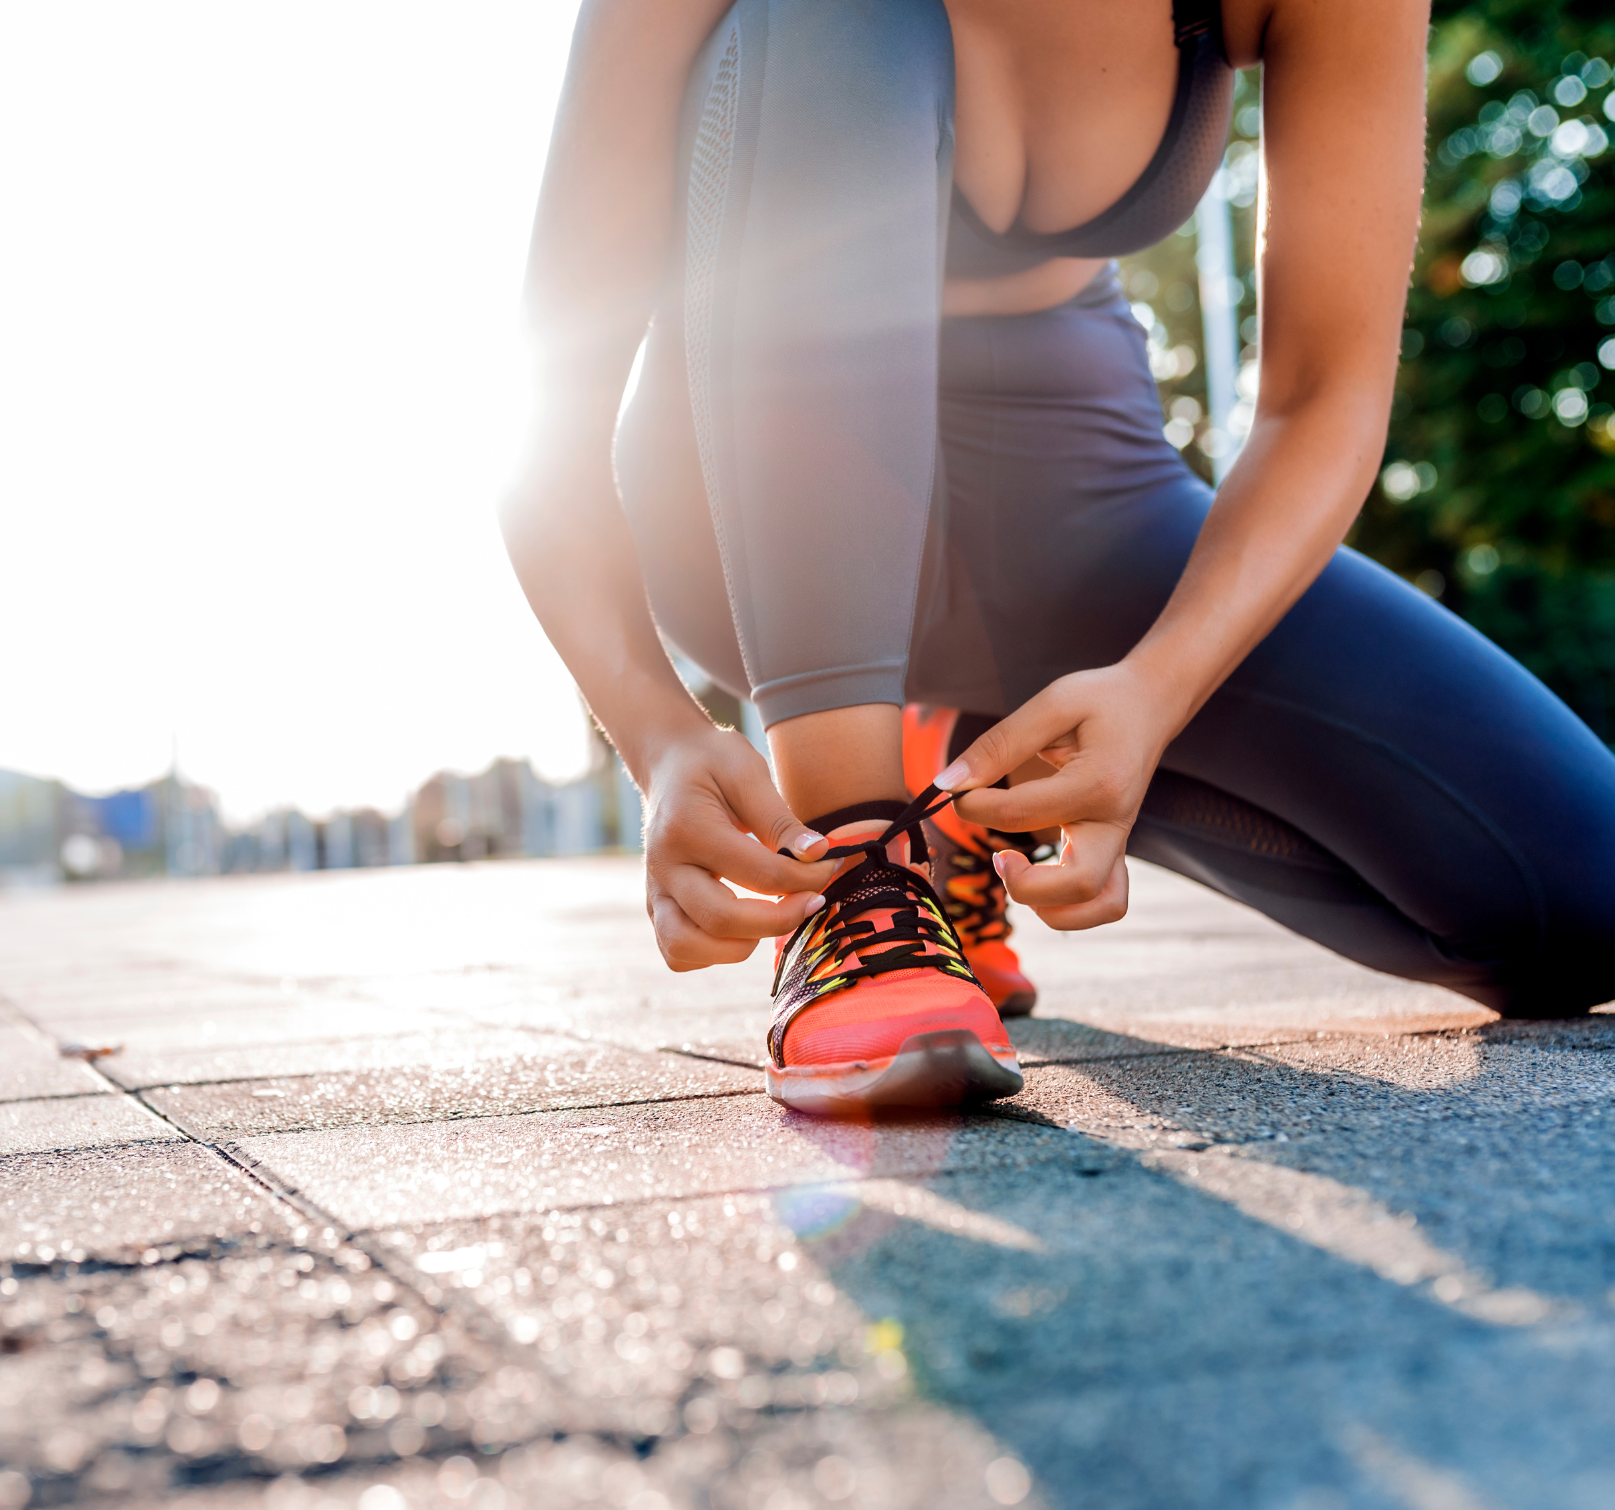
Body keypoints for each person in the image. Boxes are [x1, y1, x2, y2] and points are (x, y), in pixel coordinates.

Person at [499, 0, 1615, 1116]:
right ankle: (865, 878)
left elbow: (1321, 401)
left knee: (1580, 905)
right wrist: (657, 740)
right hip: (749, 516)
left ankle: (967, 790)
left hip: (1080, 505)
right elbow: (542, 432)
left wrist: (1156, 686)